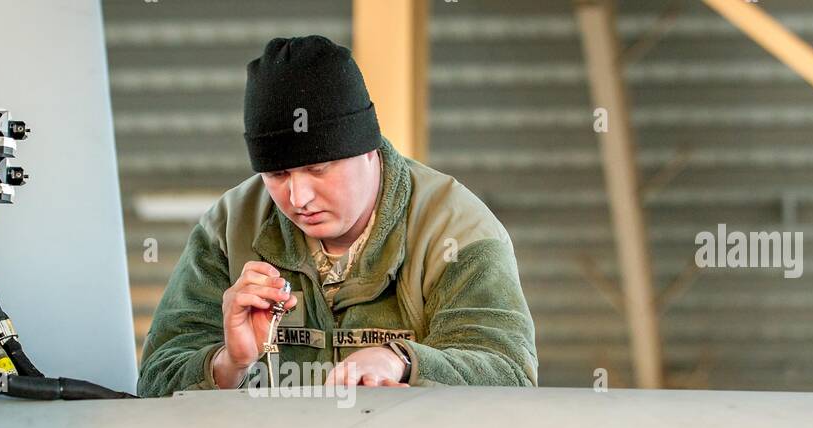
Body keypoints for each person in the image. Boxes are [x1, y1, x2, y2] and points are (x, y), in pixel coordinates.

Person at [138, 35, 537, 396]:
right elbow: (155, 382)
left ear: (368, 148)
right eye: (276, 174)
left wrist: (402, 361)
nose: (298, 197)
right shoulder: (228, 229)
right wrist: (229, 363)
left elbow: (508, 371)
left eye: (318, 168)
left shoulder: (455, 228)